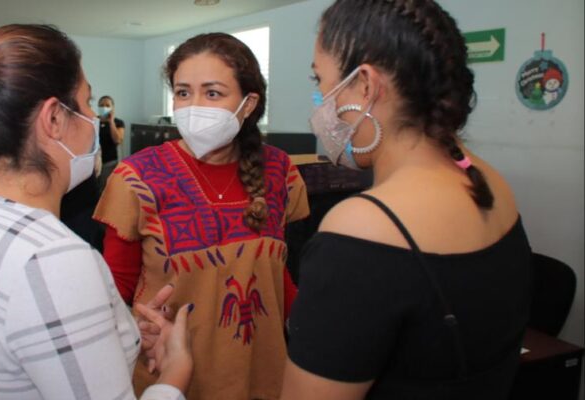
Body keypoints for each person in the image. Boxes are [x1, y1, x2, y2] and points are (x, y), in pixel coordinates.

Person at [0, 24, 192, 399]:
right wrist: (175, 372)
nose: (93, 117)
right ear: (54, 119)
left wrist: (113, 332)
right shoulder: (52, 260)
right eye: (87, 103)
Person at [281, 1, 533, 399]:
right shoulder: (489, 181)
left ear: (366, 85)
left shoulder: (360, 230)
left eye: (320, 80)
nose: (320, 97)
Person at [94, 33, 310, 400]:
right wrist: (128, 329)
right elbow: (115, 289)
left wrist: (314, 330)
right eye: (183, 92)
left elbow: (276, 276)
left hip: (263, 370)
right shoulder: (138, 177)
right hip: (170, 377)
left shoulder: (279, 171)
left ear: (248, 103)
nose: (193, 106)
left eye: (212, 93)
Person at [97, 95, 125, 192]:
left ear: (112, 107)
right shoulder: (94, 121)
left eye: (107, 105)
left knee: (107, 190)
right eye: (101, 105)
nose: (104, 107)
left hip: (109, 163)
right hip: (94, 163)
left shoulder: (118, 122)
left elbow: (117, 140)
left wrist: (111, 122)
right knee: (95, 191)